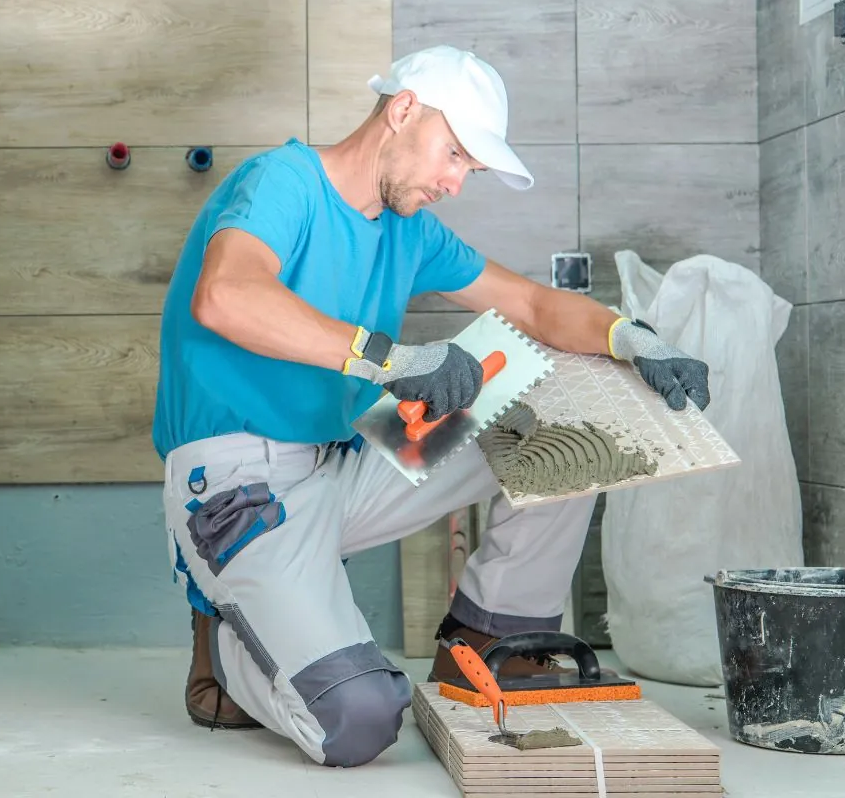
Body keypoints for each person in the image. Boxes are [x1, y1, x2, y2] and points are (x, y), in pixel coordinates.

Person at [151, 45, 711, 768]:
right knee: (359, 720)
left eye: (468, 170)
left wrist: (627, 337)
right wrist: (398, 361)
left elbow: (534, 305)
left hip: (342, 464)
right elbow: (226, 296)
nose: (454, 181)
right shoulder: (281, 182)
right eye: (454, 155)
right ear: (403, 109)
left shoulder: (408, 227)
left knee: (556, 388)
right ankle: (226, 649)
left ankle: (487, 636)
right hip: (238, 489)